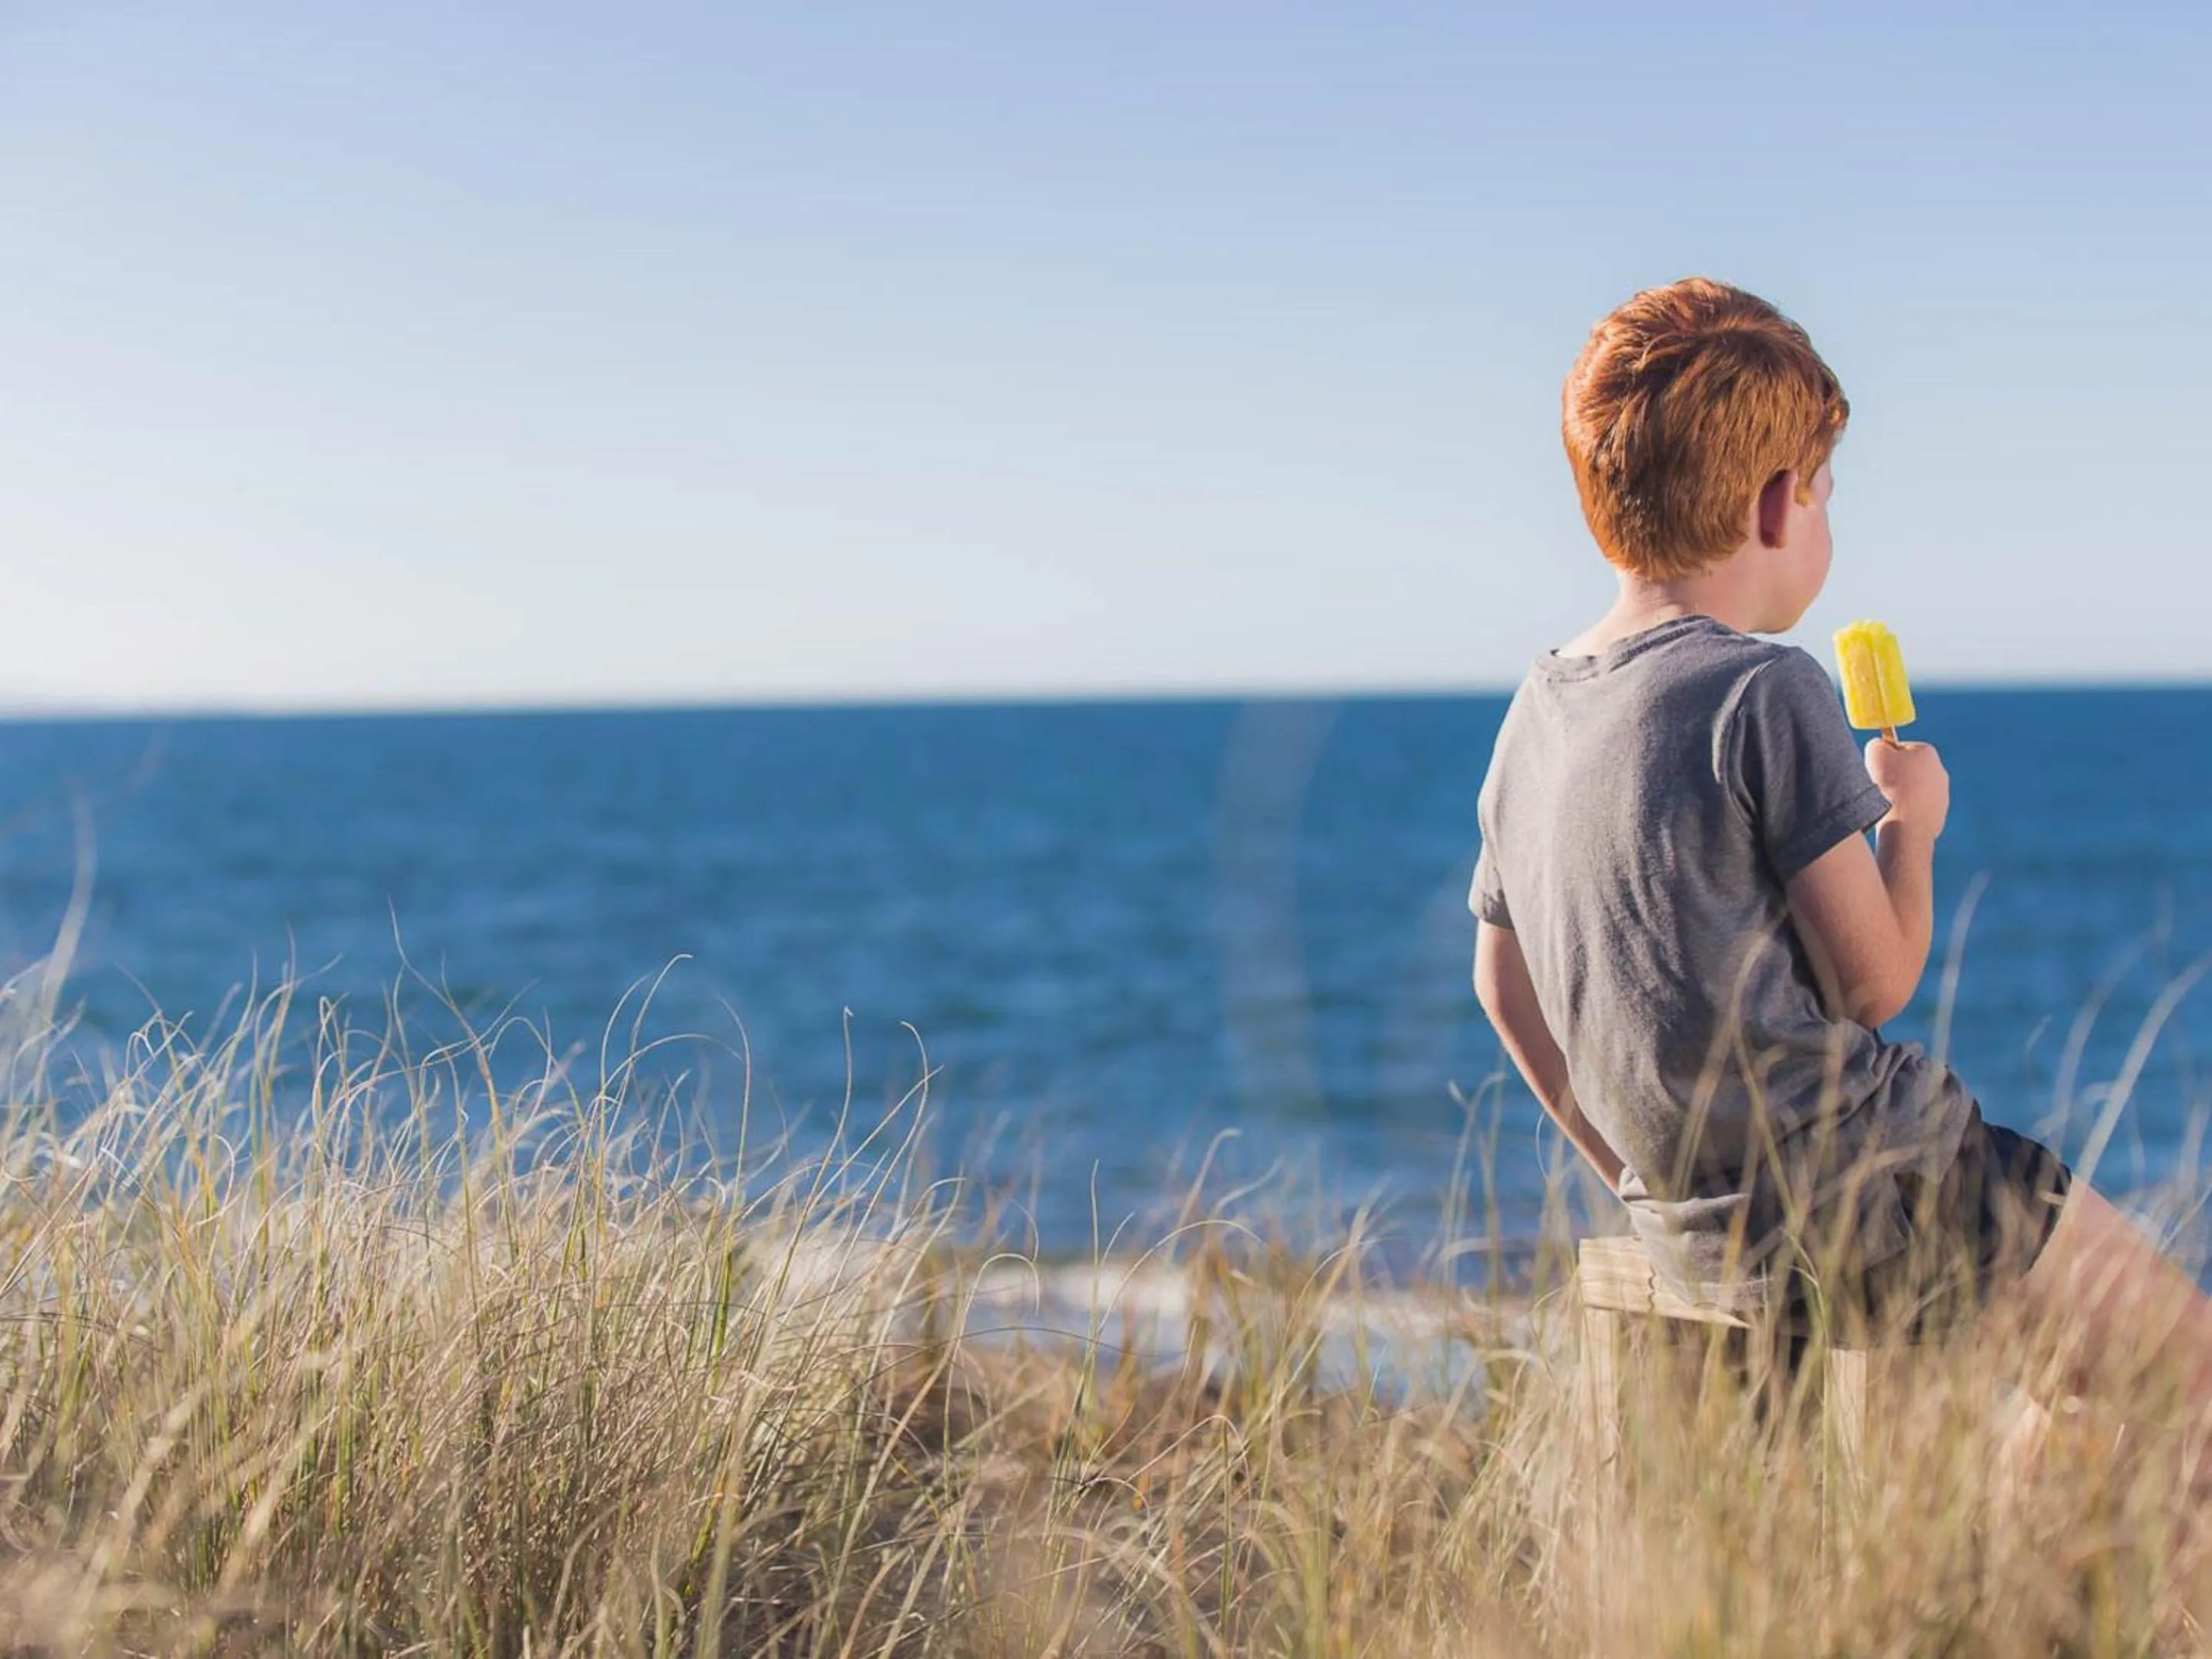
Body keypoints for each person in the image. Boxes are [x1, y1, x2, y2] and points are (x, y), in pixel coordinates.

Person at [1470, 276, 2212, 1416]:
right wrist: (1911, 826)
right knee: (2188, 1377)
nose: (1822, 521)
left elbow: (1503, 988)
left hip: (1696, 1232)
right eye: (1825, 494)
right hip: (1888, 1193)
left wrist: (1636, 1175)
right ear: (1777, 506)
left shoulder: (1538, 711)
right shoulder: (1765, 687)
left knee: (2064, 1398)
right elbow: (1873, 982)